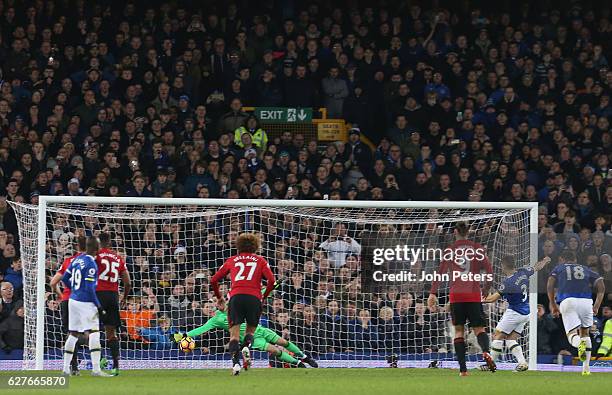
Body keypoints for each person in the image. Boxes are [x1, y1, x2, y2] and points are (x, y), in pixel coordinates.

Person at [427, 222, 495, 376]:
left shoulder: (450, 250)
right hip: (473, 294)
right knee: (479, 329)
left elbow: (440, 273)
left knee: (458, 331)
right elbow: (490, 271)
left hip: (456, 296)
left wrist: (433, 293)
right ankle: (485, 351)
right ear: (469, 231)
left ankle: (463, 370)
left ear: (455, 232)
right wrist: (486, 288)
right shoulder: (478, 249)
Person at [209, 232, 276, 375]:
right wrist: (263, 296)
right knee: (250, 332)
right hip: (254, 298)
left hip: (236, 297)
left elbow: (214, 280)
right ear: (255, 247)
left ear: (238, 246)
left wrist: (220, 297)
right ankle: (246, 346)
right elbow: (272, 281)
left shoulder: (232, 260)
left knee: (234, 336)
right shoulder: (260, 260)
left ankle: (236, 364)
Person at [173, 305, 318, 368]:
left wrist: (270, 287)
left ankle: (304, 357)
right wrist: (181, 335)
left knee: (283, 342)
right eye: (216, 304)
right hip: (250, 336)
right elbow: (201, 329)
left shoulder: (235, 305)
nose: (219, 305)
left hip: (259, 329)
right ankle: (298, 364)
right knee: (274, 350)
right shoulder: (215, 319)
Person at [482, 256, 551, 371]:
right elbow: (536, 267)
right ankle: (523, 363)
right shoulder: (523, 272)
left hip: (514, 312)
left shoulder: (508, 283)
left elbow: (492, 299)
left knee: (498, 335)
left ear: (503, 267)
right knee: (510, 339)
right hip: (526, 312)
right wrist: (545, 261)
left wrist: (478, 296)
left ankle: (491, 365)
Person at [547, 250, 605, 376]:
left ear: (562, 258)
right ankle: (586, 369)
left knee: (572, 335)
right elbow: (601, 284)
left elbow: (550, 285)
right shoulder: (585, 268)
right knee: (585, 333)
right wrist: (596, 306)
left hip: (568, 301)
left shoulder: (559, 267)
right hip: (586, 302)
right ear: (575, 260)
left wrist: (552, 304)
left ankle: (579, 344)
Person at [61, 236, 112, 377]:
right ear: (97, 249)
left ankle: (65, 369)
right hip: (85, 302)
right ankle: (96, 369)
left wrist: (75, 290)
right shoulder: (91, 264)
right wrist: (99, 307)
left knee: (73, 333)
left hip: (73, 301)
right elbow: (90, 290)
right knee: (95, 333)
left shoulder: (77, 259)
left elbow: (64, 278)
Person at [49, 236, 87, 375]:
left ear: (76, 247)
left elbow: (53, 283)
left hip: (67, 300)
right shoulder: (90, 262)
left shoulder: (67, 262)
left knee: (71, 334)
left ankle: (71, 367)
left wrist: (61, 295)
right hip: (82, 300)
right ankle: (90, 365)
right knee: (90, 332)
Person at [95, 232, 131, 376]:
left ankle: (100, 357)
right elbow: (128, 282)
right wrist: (124, 298)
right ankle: (116, 366)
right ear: (110, 243)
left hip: (97, 295)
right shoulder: (118, 258)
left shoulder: (95, 256)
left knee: (90, 329)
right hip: (112, 296)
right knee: (111, 332)